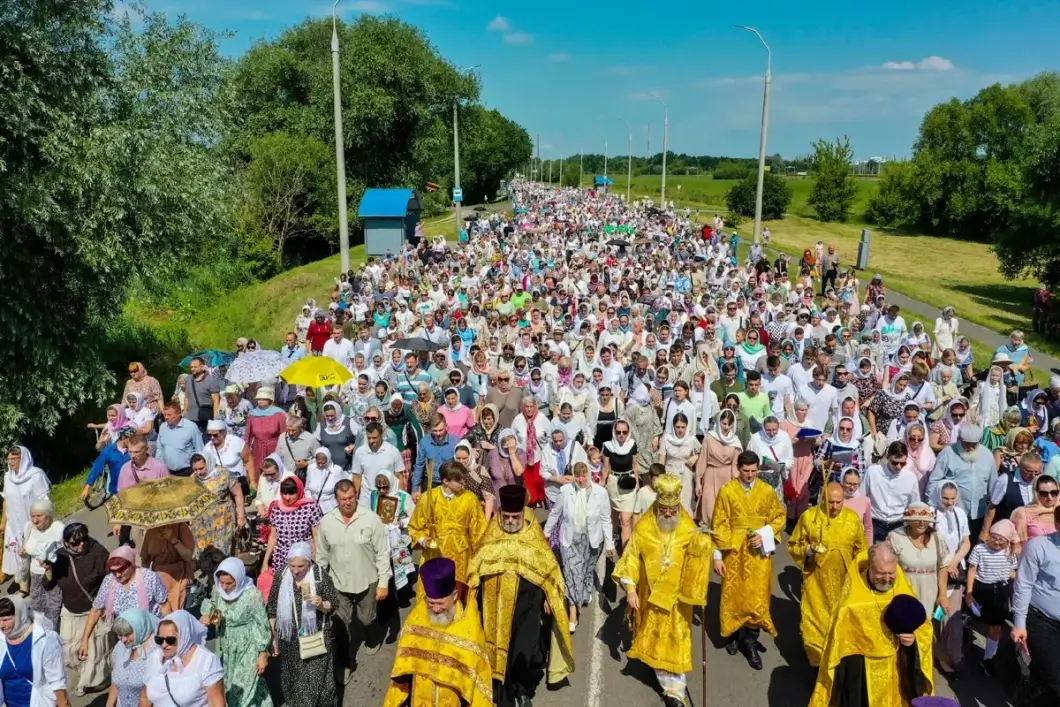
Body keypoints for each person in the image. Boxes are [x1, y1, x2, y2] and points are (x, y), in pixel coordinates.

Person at [466, 485, 575, 707]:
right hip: (494, 605)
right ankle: (502, 690)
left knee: (524, 653)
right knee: (495, 651)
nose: (511, 520)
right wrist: (472, 588)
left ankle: (523, 691)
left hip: (527, 605)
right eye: (506, 516)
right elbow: (475, 565)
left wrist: (548, 596)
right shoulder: (493, 533)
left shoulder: (532, 534)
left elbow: (550, 569)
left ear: (522, 513)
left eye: (515, 516)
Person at [613, 474, 713, 707]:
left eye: (673, 509)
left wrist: (704, 544)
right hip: (650, 595)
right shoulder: (644, 528)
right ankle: (661, 674)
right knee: (655, 637)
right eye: (664, 509)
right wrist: (630, 590)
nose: (668, 514)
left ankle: (674, 691)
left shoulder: (688, 527)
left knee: (676, 640)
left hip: (677, 599)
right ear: (657, 505)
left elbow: (698, 557)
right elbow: (630, 560)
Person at [809, 543, 934, 706]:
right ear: (870, 566)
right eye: (881, 573)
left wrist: (913, 640)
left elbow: (923, 628)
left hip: (896, 673)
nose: (887, 579)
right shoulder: (851, 601)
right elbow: (839, 642)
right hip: (862, 673)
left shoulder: (903, 588)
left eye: (891, 573)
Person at [381, 557, 494, 707]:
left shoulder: (470, 627)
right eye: (431, 603)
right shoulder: (416, 618)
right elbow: (403, 667)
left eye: (440, 603)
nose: (435, 609)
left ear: (454, 596)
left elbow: (477, 679)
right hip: (420, 694)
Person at [712, 450, 786, 670]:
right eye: (746, 471)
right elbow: (719, 523)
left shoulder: (766, 491)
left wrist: (764, 534)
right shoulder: (727, 491)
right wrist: (717, 556)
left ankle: (750, 641)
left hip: (758, 555)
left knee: (757, 595)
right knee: (733, 594)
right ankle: (733, 634)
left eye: (754, 471)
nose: (750, 475)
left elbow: (779, 517)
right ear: (738, 469)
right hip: (734, 553)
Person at [787, 482, 867, 667]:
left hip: (843, 583)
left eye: (838, 502)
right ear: (823, 499)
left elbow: (861, 550)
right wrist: (808, 551)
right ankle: (817, 665)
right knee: (814, 623)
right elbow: (793, 544)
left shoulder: (852, 519)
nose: (834, 507)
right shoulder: (810, 517)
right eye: (830, 502)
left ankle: (837, 663)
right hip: (816, 582)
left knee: (841, 625)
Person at [316, 479, 390, 666]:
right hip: (338, 582)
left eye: (351, 497)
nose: (348, 502)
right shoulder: (326, 522)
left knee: (367, 619)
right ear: (336, 499)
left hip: (367, 579)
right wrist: (318, 584)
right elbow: (322, 556)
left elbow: (382, 553)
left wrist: (383, 583)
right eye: (343, 499)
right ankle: (345, 663)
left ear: (356, 496)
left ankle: (373, 638)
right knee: (340, 623)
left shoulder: (371, 519)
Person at [266, 542, 340, 707]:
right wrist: (273, 638)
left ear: (309, 562)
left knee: (317, 685)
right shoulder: (281, 575)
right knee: (293, 682)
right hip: (290, 642)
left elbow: (333, 605)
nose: (296, 570)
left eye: (301, 566)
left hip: (315, 639)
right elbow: (272, 608)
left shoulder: (319, 575)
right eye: (292, 565)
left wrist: (321, 604)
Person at [544, 462, 614, 633]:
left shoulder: (601, 493)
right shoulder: (565, 491)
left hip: (591, 540)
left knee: (585, 571)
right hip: (569, 540)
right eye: (578, 475)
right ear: (573, 476)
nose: (581, 479)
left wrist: (610, 543)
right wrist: (546, 533)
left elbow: (605, 519)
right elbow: (555, 513)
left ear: (589, 475)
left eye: (584, 475)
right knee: (572, 574)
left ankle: (583, 591)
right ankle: (573, 612)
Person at [43, 523, 109, 697]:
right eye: (75, 543)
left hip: (93, 610)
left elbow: (110, 579)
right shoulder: (58, 557)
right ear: (65, 543)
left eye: (84, 540)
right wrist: (49, 570)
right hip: (71, 611)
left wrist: (106, 604)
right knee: (69, 650)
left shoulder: (98, 552)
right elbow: (48, 585)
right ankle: (80, 676)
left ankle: (90, 683)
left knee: (93, 652)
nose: (81, 545)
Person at [198, 558, 273, 707]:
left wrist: (262, 653)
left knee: (242, 687)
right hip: (226, 646)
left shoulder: (252, 595)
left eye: (229, 583)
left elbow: (261, 624)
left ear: (238, 579)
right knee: (231, 684)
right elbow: (211, 605)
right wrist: (207, 615)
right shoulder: (217, 591)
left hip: (247, 646)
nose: (225, 587)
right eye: (222, 582)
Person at [79, 546, 169, 665]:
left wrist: (167, 636)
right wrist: (85, 640)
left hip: (150, 636)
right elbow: (96, 611)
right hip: (125, 638)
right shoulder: (109, 581)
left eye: (121, 570)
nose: (117, 575)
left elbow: (165, 607)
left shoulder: (150, 578)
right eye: (113, 571)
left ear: (131, 564)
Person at [407, 461, 487, 591]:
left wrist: (479, 557)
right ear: (446, 481)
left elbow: (479, 529)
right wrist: (423, 540)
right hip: (435, 553)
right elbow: (415, 526)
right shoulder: (427, 498)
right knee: (435, 594)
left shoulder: (470, 498)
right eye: (459, 482)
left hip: (461, 555)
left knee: (459, 592)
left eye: (464, 481)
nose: (464, 484)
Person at [1011, 505, 1060, 703]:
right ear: (1057, 525)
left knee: (1045, 678)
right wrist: (1019, 623)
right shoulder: (1038, 546)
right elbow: (1023, 585)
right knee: (1056, 679)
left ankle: (1031, 693)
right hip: (1043, 620)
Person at [965, 518, 1019, 676]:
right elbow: (972, 571)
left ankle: (988, 659)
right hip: (983, 589)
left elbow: (1012, 573)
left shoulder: (1009, 552)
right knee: (984, 620)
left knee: (996, 627)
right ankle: (968, 620)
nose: (997, 543)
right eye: (994, 538)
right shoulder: (979, 549)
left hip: (1001, 591)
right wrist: (969, 593)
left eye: (1001, 540)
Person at [926, 423, 998, 541]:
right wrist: (932, 508)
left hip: (979, 514)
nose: (969, 447)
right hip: (953, 512)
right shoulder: (948, 453)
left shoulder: (987, 455)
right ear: (960, 439)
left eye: (973, 445)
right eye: (966, 444)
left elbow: (993, 483)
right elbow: (934, 481)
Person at [141, 610, 225, 707]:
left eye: (170, 640)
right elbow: (145, 697)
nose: (163, 645)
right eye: (159, 640)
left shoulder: (206, 661)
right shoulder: (154, 658)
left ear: (184, 635)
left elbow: (216, 704)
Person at [887, 503, 950, 628]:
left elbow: (943, 566)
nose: (922, 524)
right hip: (904, 594)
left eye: (926, 521)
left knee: (926, 633)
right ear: (909, 521)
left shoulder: (937, 538)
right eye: (918, 520)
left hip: (930, 595)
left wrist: (942, 595)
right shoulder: (895, 537)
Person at [931, 482, 971, 676]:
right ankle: (941, 657)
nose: (949, 502)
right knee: (937, 617)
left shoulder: (960, 514)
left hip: (954, 573)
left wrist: (954, 562)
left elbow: (966, 542)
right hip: (936, 572)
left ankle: (954, 654)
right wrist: (945, 566)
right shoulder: (931, 513)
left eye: (952, 498)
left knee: (952, 620)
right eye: (946, 498)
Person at [0, 595, 69, 707]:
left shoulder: (45, 639)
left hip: (39, 703)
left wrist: (63, 704)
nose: (2, 625)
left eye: (6, 620)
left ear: (19, 616)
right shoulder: (1, 639)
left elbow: (57, 681)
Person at [3, 447, 51, 585]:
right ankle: (24, 587)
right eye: (9, 459)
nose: (10, 462)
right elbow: (6, 499)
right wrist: (4, 522)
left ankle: (46, 582)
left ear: (23, 458)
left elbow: (44, 502)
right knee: (19, 556)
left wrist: (39, 522)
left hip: (32, 523)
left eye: (14, 459)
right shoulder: (8, 477)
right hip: (14, 525)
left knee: (38, 554)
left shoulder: (36, 476)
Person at [261, 476, 323, 575]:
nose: (287, 497)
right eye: (284, 493)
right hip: (282, 559)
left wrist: (317, 561)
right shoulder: (276, 509)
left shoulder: (310, 507)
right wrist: (265, 562)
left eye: (291, 493)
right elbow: (273, 537)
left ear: (299, 491)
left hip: (303, 559)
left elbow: (316, 537)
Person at [369, 470, 417, 596]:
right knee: (385, 568)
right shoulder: (374, 495)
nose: (382, 490)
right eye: (379, 487)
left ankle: (403, 594)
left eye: (385, 487)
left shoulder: (403, 496)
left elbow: (415, 517)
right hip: (381, 539)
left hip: (400, 538)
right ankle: (389, 597)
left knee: (400, 568)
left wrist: (401, 523)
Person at [189, 452, 246, 556]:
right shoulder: (193, 479)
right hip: (201, 524)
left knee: (222, 553)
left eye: (201, 468)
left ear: (209, 463)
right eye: (195, 469)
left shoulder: (223, 474)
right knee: (205, 554)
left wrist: (241, 517)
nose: (198, 472)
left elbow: (238, 494)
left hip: (223, 521)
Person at [863, 441, 920, 542]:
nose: (898, 467)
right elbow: (862, 498)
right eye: (895, 462)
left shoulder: (910, 478)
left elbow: (914, 505)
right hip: (874, 524)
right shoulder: (872, 472)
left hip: (898, 526)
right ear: (887, 457)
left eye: (903, 463)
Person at [21, 499, 64, 629]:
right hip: (35, 576)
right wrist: (22, 552)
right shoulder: (28, 527)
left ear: (49, 514)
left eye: (39, 516)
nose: (35, 520)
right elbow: (25, 547)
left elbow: (65, 552)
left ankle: (54, 638)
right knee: (36, 610)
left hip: (54, 577)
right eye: (33, 516)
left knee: (53, 609)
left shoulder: (59, 528)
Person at [694, 409, 742, 526]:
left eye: (729, 424)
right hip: (711, 475)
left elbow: (736, 465)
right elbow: (702, 461)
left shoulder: (735, 442)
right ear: (719, 422)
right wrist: (698, 482)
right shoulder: (709, 438)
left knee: (725, 508)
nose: (726, 427)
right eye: (724, 423)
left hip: (727, 478)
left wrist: (738, 484)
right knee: (709, 506)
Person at [108, 609, 160, 707]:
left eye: (127, 634)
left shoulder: (156, 650)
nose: (123, 640)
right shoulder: (120, 648)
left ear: (140, 628)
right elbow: (115, 683)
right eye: (120, 635)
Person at [139, 523, 195, 614]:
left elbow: (188, 556)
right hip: (159, 576)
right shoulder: (151, 531)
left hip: (180, 575)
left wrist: (173, 539)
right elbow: (145, 558)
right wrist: (144, 580)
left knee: (179, 612)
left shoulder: (181, 527)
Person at [245, 388, 287, 485]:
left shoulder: (279, 414)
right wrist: (246, 450)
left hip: (274, 448)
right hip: (257, 449)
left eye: (264, 399)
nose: (261, 401)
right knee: (258, 476)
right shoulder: (252, 414)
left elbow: (284, 435)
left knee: (274, 473)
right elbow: (247, 435)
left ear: (270, 400)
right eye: (259, 399)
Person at [155, 401, 202, 478]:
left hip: (188, 471)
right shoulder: (163, 427)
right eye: (165, 414)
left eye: (169, 415)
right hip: (168, 472)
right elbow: (160, 449)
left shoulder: (191, 427)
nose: (166, 417)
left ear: (179, 413)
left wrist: (197, 471)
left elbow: (199, 449)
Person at [1011, 474, 1060, 542]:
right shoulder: (1023, 513)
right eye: (1044, 493)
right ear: (1036, 493)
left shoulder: (1058, 510)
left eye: (1054, 492)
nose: (1049, 497)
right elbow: (1018, 543)